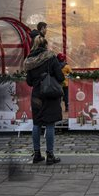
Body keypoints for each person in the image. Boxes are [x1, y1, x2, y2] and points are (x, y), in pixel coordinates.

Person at [24, 36, 65, 165]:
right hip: (49, 94)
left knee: (36, 124)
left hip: (36, 96)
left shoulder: (29, 60)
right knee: (50, 124)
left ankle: (37, 154)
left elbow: (29, 82)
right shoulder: (50, 57)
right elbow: (60, 76)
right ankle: (50, 155)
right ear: (46, 45)